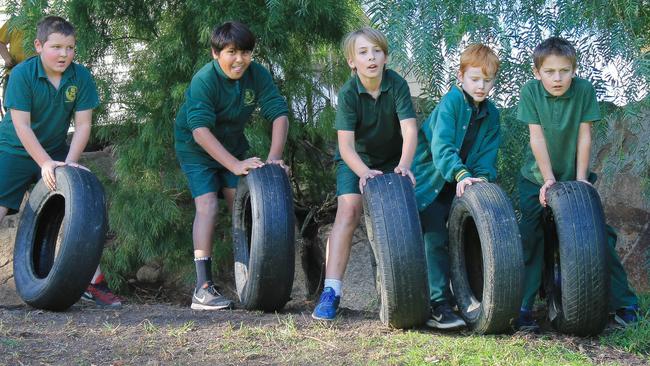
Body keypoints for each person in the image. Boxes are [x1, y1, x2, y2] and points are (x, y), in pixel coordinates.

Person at [516, 37, 639, 331]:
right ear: (537, 72)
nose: (557, 78)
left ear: (574, 70)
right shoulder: (530, 92)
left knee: (599, 236)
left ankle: (624, 304)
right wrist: (548, 179)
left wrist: (582, 178)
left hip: (574, 175)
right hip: (536, 177)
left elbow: (585, 136)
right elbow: (537, 138)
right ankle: (523, 306)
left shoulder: (583, 90)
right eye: (549, 72)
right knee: (531, 237)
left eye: (564, 71)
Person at [0, 16, 121, 307]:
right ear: (39, 46)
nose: (64, 54)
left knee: (79, 207)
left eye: (70, 47)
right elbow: (22, 127)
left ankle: (92, 283)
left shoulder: (81, 77)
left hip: (56, 149)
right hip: (14, 149)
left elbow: (83, 126)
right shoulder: (22, 75)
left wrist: (68, 162)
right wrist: (44, 163)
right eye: (56, 47)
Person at [174, 21, 289, 310]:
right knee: (208, 206)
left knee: (240, 204)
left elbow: (279, 115)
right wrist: (234, 165)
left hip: (232, 144)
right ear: (216, 53)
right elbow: (200, 132)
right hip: (196, 148)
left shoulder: (257, 74)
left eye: (246, 52)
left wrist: (274, 159)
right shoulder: (204, 80)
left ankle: (255, 278)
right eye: (232, 52)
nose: (240, 59)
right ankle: (202, 289)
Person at [311, 27, 418, 321]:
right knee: (349, 211)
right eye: (363, 52)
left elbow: (409, 129)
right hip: (356, 159)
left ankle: (412, 292)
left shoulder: (396, 84)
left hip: (394, 158)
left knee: (409, 212)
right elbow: (345, 145)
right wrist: (362, 172)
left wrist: (405, 165)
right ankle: (331, 292)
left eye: (377, 51)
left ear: (385, 56)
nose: (371, 58)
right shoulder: (348, 93)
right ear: (351, 61)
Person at [411, 44, 501, 329]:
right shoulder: (451, 103)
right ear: (460, 77)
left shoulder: (492, 115)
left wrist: (482, 179)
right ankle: (439, 304)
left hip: (466, 182)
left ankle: (472, 299)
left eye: (487, 80)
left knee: (470, 236)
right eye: (475, 79)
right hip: (433, 180)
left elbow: (488, 153)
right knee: (435, 236)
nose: (481, 85)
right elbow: (442, 147)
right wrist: (461, 174)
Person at [0, 17, 29, 113]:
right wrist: (7, 58)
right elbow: (1, 42)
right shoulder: (13, 22)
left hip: (37, 74)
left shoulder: (44, 22)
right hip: (13, 72)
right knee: (9, 106)